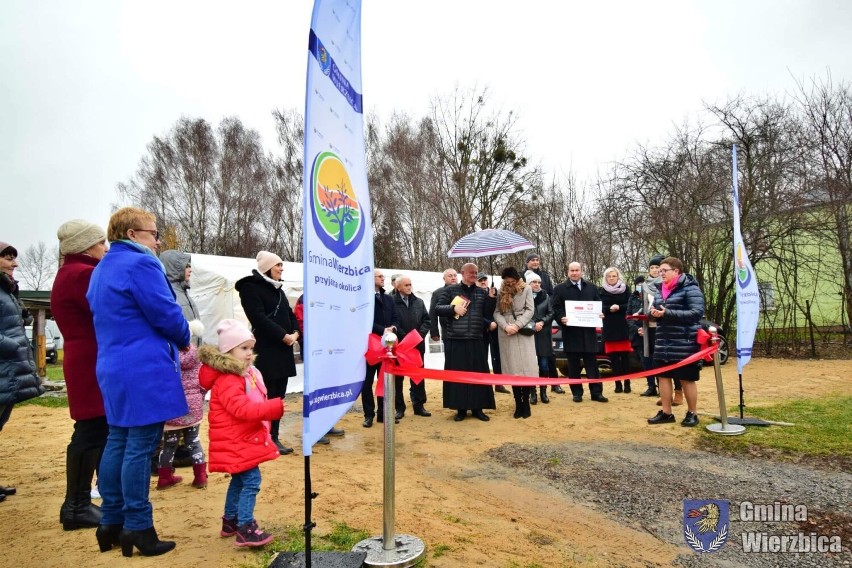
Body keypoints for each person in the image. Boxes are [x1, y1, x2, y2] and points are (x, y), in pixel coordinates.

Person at [86, 208, 190, 556]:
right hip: (144, 368)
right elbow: (166, 312)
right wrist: (185, 335)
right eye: (153, 233)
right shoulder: (142, 264)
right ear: (132, 234)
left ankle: (111, 522)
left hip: (113, 366)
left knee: (117, 441)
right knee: (141, 447)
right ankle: (139, 526)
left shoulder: (102, 268)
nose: (157, 241)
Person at [198, 319, 284, 547]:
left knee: (239, 480)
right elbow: (242, 409)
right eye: (243, 348)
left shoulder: (243, 374)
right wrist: (273, 408)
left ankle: (231, 521)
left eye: (250, 348)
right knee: (252, 480)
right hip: (237, 439)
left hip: (240, 438)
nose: (249, 353)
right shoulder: (228, 379)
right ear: (228, 351)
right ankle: (246, 527)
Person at [50, 221, 109, 529]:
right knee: (90, 431)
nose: (106, 248)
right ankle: (76, 505)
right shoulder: (84, 274)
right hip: (91, 358)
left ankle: (81, 503)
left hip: (83, 356)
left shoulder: (68, 273)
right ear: (86, 247)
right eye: (101, 243)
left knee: (94, 428)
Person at [236, 251, 309, 454]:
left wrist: (295, 332)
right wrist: (282, 336)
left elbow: (290, 315)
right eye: (278, 265)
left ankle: (274, 436)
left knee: (279, 396)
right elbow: (258, 318)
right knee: (265, 396)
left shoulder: (279, 290)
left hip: (283, 350)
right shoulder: (250, 288)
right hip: (267, 351)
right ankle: (263, 436)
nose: (281, 269)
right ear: (268, 267)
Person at [156, 250, 207, 491]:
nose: (190, 271)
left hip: (189, 367)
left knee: (172, 438)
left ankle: (167, 472)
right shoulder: (170, 294)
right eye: (186, 266)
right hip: (181, 368)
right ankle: (198, 475)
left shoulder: (184, 293)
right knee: (190, 438)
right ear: (175, 268)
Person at [0, 241, 45, 504]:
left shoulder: (8, 291)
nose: (14, 264)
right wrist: (13, 344)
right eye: (7, 259)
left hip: (8, 369)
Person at [434, 263, 497, 422]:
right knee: (458, 377)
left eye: (476, 273)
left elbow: (486, 315)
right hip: (456, 338)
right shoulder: (450, 290)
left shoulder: (482, 292)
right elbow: (438, 308)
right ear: (462, 273)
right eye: (471, 272)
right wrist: (453, 309)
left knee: (479, 376)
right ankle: (460, 409)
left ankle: (478, 408)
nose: (474, 275)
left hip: (476, 339)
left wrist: (491, 298)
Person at [647, 257, 705, 427]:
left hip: (684, 342)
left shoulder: (690, 289)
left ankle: (692, 413)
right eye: (660, 270)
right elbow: (653, 311)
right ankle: (666, 413)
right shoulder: (659, 290)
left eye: (664, 270)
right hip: (663, 341)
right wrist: (653, 314)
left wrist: (668, 313)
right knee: (663, 377)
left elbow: (696, 313)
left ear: (676, 272)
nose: (660, 273)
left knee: (687, 378)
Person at [551, 262, 608, 403]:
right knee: (573, 366)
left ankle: (596, 393)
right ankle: (577, 393)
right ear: (568, 272)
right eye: (572, 270)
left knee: (592, 365)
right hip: (571, 333)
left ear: (581, 271)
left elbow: (599, 305)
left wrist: (601, 313)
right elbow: (555, 308)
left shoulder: (592, 287)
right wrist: (561, 318)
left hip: (589, 334)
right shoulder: (560, 289)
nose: (574, 273)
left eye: (577, 270)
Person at [493, 267, 538, 419]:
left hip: (523, 329)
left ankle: (526, 402)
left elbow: (530, 310)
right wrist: (506, 326)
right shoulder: (500, 291)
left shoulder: (526, 289)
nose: (510, 283)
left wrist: (517, 325)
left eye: (512, 281)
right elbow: (497, 312)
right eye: (507, 281)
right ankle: (518, 403)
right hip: (506, 331)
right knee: (513, 369)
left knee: (525, 369)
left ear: (517, 279)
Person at [362, 269, 399, 427]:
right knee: (367, 381)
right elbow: (363, 319)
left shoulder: (388, 299)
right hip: (369, 346)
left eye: (383, 276)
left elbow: (396, 317)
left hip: (386, 346)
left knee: (385, 380)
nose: (383, 278)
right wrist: (381, 329)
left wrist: (393, 328)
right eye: (380, 276)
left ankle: (383, 414)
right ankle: (368, 415)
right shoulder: (364, 298)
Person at [391, 276, 432, 418]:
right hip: (400, 346)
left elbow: (427, 320)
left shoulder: (419, 302)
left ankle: (419, 405)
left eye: (410, 284)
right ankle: (399, 408)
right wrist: (404, 337)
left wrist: (419, 335)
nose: (409, 287)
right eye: (406, 285)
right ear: (398, 287)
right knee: (398, 378)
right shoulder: (391, 302)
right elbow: (391, 322)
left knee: (418, 376)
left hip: (417, 345)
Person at [523, 254, 563, 394]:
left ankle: (554, 384)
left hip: (544, 322)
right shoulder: (521, 276)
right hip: (529, 327)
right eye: (532, 260)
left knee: (549, 357)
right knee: (532, 360)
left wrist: (545, 301)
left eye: (537, 260)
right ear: (527, 262)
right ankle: (531, 389)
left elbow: (551, 294)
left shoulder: (545, 276)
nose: (535, 262)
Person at [600, 267, 633, 394]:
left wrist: (619, 307)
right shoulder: (601, 290)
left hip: (623, 326)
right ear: (606, 278)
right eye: (609, 276)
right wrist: (609, 309)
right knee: (613, 360)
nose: (612, 278)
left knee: (625, 358)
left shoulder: (626, 289)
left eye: (614, 276)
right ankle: (617, 383)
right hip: (609, 327)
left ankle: (627, 383)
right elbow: (600, 306)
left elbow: (630, 305)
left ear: (618, 277)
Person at [526, 271, 554, 405]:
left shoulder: (546, 296)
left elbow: (551, 312)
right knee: (531, 365)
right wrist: (532, 325)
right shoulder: (523, 297)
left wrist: (542, 322)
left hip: (543, 333)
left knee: (543, 364)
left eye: (538, 282)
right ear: (528, 283)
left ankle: (543, 392)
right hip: (529, 334)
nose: (537, 284)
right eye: (534, 282)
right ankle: (533, 393)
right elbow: (521, 314)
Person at [478, 272, 507, 394]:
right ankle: (485, 384)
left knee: (497, 357)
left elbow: (500, 310)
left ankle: (499, 383)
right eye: (481, 280)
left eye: (485, 280)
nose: (483, 282)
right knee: (482, 358)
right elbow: (477, 313)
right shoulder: (475, 294)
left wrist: (495, 322)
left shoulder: (495, 292)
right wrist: (487, 323)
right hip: (482, 330)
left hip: (496, 329)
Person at [428, 268, 457, 343]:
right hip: (447, 331)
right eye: (450, 276)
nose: (453, 278)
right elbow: (432, 314)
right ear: (444, 279)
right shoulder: (438, 293)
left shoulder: (464, 290)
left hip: (465, 332)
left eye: (455, 275)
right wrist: (434, 332)